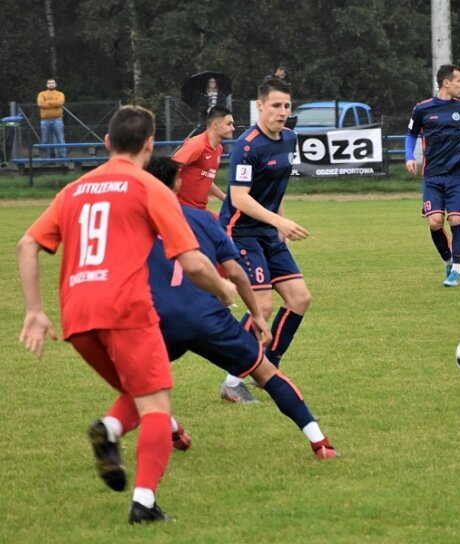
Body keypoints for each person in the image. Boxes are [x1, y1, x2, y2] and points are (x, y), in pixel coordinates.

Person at [16, 105, 237, 524]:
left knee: (139, 395)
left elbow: (27, 246)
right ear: (150, 145)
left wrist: (34, 311)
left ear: (107, 144)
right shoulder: (150, 187)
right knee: (155, 405)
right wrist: (223, 288)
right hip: (126, 308)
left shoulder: (74, 189)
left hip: (77, 316)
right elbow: (191, 262)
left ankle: (112, 430)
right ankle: (144, 504)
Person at [145, 156, 339, 459]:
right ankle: (320, 442)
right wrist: (258, 316)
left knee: (139, 381)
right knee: (267, 373)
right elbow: (235, 273)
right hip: (208, 317)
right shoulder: (203, 219)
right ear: (178, 183)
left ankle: (148, 428)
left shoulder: (134, 225)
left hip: (160, 319)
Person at [217, 77, 311, 403]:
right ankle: (232, 380)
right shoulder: (247, 146)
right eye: (275, 105)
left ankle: (268, 363)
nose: (282, 112)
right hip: (239, 231)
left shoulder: (289, 139)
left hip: (268, 232)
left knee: (299, 298)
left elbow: (277, 189)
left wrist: (279, 225)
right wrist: (279, 220)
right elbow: (240, 198)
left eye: (286, 106)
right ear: (260, 106)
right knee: (264, 305)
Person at [405, 64, 460, 288]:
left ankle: (456, 270)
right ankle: (448, 261)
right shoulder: (423, 109)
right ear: (447, 82)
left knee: (456, 218)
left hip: (457, 175)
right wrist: (409, 156)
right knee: (436, 222)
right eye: (459, 80)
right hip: (433, 176)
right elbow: (410, 134)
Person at [172, 105, 233, 212]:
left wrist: (223, 196)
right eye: (229, 124)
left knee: (222, 228)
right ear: (215, 125)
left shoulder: (218, 149)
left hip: (200, 209)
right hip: (184, 208)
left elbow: (205, 177)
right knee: (220, 228)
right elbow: (170, 168)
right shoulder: (197, 144)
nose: (233, 128)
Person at [36, 77, 67, 159]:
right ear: (46, 85)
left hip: (58, 120)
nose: (51, 84)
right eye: (49, 83)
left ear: (55, 84)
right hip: (45, 121)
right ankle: (47, 159)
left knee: (60, 140)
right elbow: (40, 104)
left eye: (53, 83)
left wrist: (47, 102)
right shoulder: (41, 94)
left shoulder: (60, 94)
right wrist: (54, 104)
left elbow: (60, 102)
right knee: (45, 140)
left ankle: (62, 159)